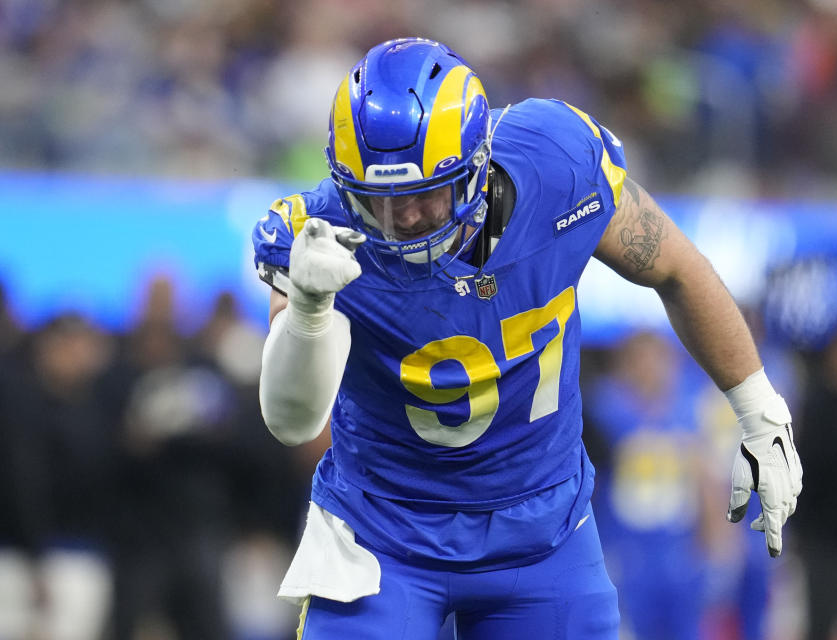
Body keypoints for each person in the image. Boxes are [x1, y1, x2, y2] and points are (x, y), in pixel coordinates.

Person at [252, 37, 802, 639]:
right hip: (382, 537)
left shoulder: (557, 165)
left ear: (479, 166)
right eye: (378, 201)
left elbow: (676, 267)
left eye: (424, 195)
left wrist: (761, 413)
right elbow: (292, 422)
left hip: (543, 535)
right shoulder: (317, 236)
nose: (402, 219)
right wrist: (307, 307)